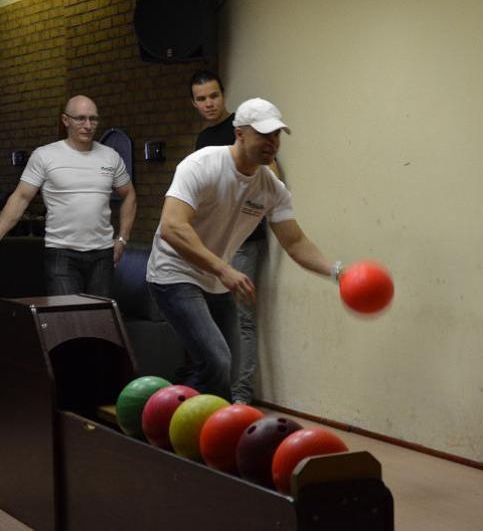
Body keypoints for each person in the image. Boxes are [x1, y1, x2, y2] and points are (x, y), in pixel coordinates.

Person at [146, 97, 343, 402]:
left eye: (276, 135)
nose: (272, 142)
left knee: (230, 368)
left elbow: (295, 242)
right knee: (217, 359)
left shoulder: (271, 188)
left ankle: (188, 412)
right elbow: (173, 226)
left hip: (215, 280)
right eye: (264, 134)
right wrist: (224, 269)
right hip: (174, 273)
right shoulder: (202, 165)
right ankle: (172, 412)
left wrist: (337, 272)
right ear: (239, 133)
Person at [189, 70, 273, 404]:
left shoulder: (243, 128)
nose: (209, 103)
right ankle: (217, 392)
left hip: (244, 242)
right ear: (194, 104)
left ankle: (240, 397)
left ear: (223, 96)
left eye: (214, 96)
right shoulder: (203, 139)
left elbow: (270, 177)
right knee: (212, 318)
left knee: (243, 319)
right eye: (201, 99)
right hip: (211, 245)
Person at [0, 95, 137, 296]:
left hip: (102, 254)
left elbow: (129, 195)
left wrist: (123, 238)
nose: (88, 125)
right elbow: (21, 198)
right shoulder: (45, 155)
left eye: (93, 119)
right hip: (61, 253)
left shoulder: (110, 156)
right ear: (66, 120)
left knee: (99, 314)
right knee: (67, 313)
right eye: (80, 118)